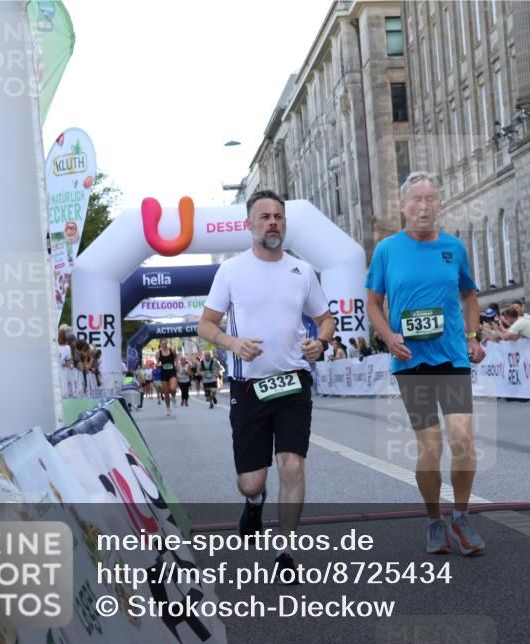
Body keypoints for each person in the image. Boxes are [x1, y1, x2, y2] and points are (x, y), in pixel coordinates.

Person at [199, 189, 335, 580]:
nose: (272, 222)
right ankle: (255, 501)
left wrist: (321, 342)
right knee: (250, 481)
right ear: (249, 224)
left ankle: (287, 550)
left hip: (293, 383)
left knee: (292, 467)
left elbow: (325, 318)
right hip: (249, 388)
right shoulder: (231, 271)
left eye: (278, 216)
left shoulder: (301, 271)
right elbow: (205, 325)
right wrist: (232, 343)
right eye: (265, 217)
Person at [365, 171, 487, 556]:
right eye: (416, 200)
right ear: (402, 206)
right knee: (431, 446)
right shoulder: (387, 250)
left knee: (463, 439)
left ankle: (461, 516)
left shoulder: (453, 247)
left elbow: (469, 294)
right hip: (411, 362)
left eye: (430, 199)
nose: (424, 206)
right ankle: (434, 519)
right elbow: (373, 303)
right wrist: (389, 336)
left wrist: (473, 336)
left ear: (439, 205)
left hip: (451, 357)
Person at [156, 340, 178, 416]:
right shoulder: (158, 353)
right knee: (166, 392)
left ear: (167, 344)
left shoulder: (172, 350)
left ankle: (173, 397)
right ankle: (168, 408)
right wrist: (157, 365)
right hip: (164, 373)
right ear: (160, 345)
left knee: (173, 388)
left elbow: (176, 358)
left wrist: (177, 365)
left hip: (172, 372)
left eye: (165, 343)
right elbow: (157, 363)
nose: (164, 345)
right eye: (163, 344)